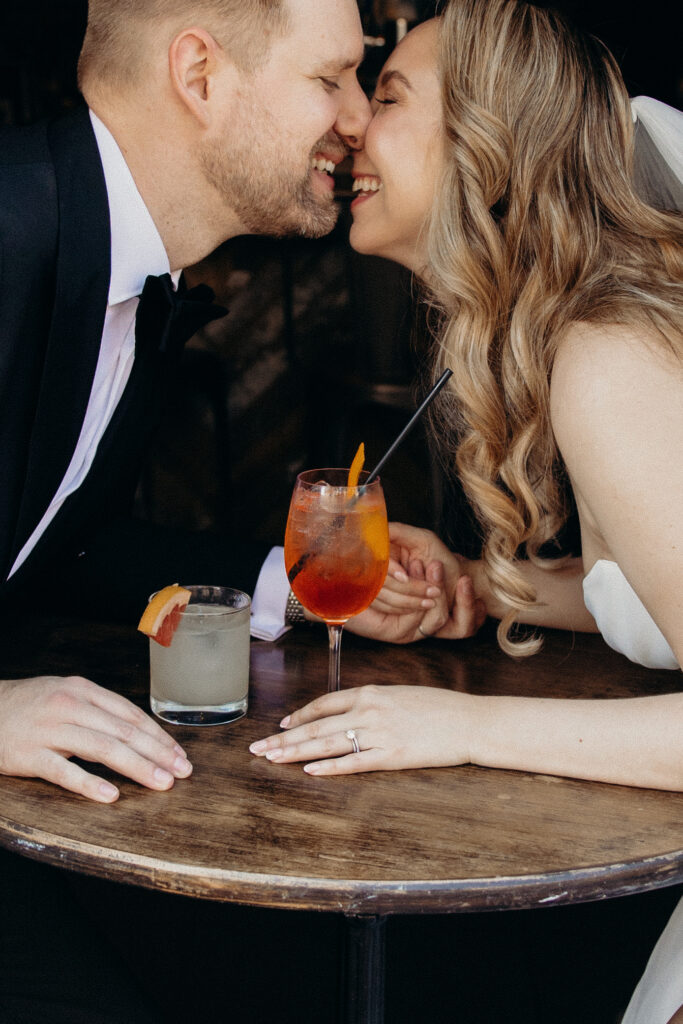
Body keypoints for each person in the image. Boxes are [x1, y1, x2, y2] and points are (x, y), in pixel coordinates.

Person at [250, 4, 682, 1019]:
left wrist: (456, 724)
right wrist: (480, 587)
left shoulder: (603, 357)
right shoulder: (574, 330)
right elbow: (656, 591)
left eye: (387, 96)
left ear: (485, 146)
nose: (350, 126)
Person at [0, 0, 371, 805]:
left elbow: (55, 545)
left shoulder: (125, 267)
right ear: (199, 75)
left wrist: (303, 583)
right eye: (330, 77)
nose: (359, 117)